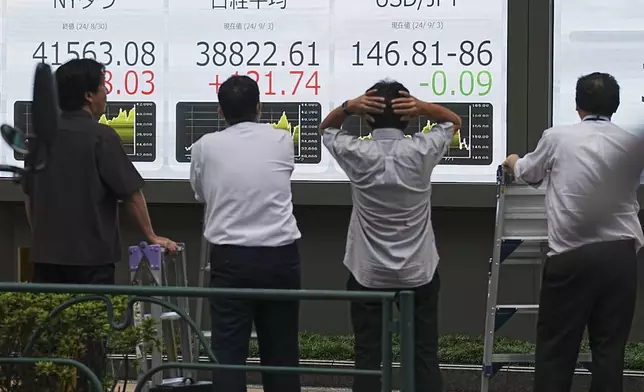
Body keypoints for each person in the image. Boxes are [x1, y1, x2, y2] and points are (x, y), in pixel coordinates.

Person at [21, 58, 177, 390]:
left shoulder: (38, 139)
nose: (107, 93)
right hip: (91, 261)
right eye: (104, 86)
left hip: (46, 260)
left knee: (51, 345)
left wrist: (41, 237)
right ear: (90, 96)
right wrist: (151, 235)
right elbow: (131, 194)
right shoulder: (100, 136)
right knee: (90, 348)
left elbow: (30, 198)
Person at [503, 72, 644, 392]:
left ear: (578, 105)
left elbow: (528, 173)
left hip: (571, 257)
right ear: (616, 106)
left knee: (556, 352)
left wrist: (513, 161)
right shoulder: (629, 143)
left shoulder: (557, 137)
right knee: (609, 352)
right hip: (620, 257)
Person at [320, 79, 462, 392]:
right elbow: (453, 121)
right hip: (418, 272)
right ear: (409, 116)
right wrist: (425, 108)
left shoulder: (356, 151)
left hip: (367, 272)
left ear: (365, 117)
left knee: (368, 356)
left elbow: (326, 129)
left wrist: (348, 108)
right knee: (424, 354)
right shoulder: (422, 149)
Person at [189, 75, 302, 392]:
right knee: (281, 352)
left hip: (230, 258)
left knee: (228, 352)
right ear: (259, 108)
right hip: (281, 256)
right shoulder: (282, 139)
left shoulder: (204, 147)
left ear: (220, 111)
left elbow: (201, 193)